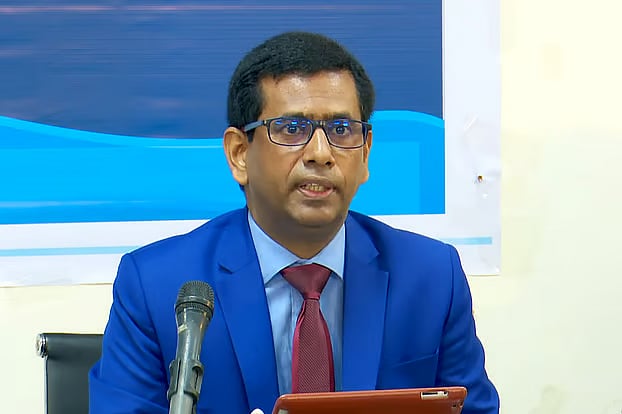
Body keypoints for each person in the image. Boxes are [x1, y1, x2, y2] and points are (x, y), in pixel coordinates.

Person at [89, 31, 499, 414]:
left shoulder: (432, 277)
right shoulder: (158, 286)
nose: (321, 153)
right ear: (239, 154)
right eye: (291, 128)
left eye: (342, 129)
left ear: (365, 152)